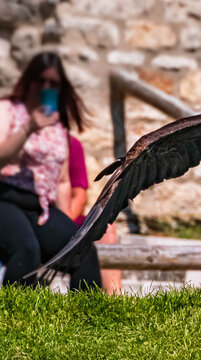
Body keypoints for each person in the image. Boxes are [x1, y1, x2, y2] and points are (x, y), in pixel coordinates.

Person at [0, 51, 101, 289]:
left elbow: (63, 181)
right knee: (26, 249)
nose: (46, 87)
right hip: (3, 198)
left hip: (39, 206)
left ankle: (90, 320)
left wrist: (64, 226)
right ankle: (15, 319)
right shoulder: (8, 109)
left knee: (82, 250)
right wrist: (28, 128)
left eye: (53, 83)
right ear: (29, 81)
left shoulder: (57, 126)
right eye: (41, 81)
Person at [68, 134, 121, 294]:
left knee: (106, 228)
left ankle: (114, 298)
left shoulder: (71, 145)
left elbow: (80, 196)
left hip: (65, 216)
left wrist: (62, 223)